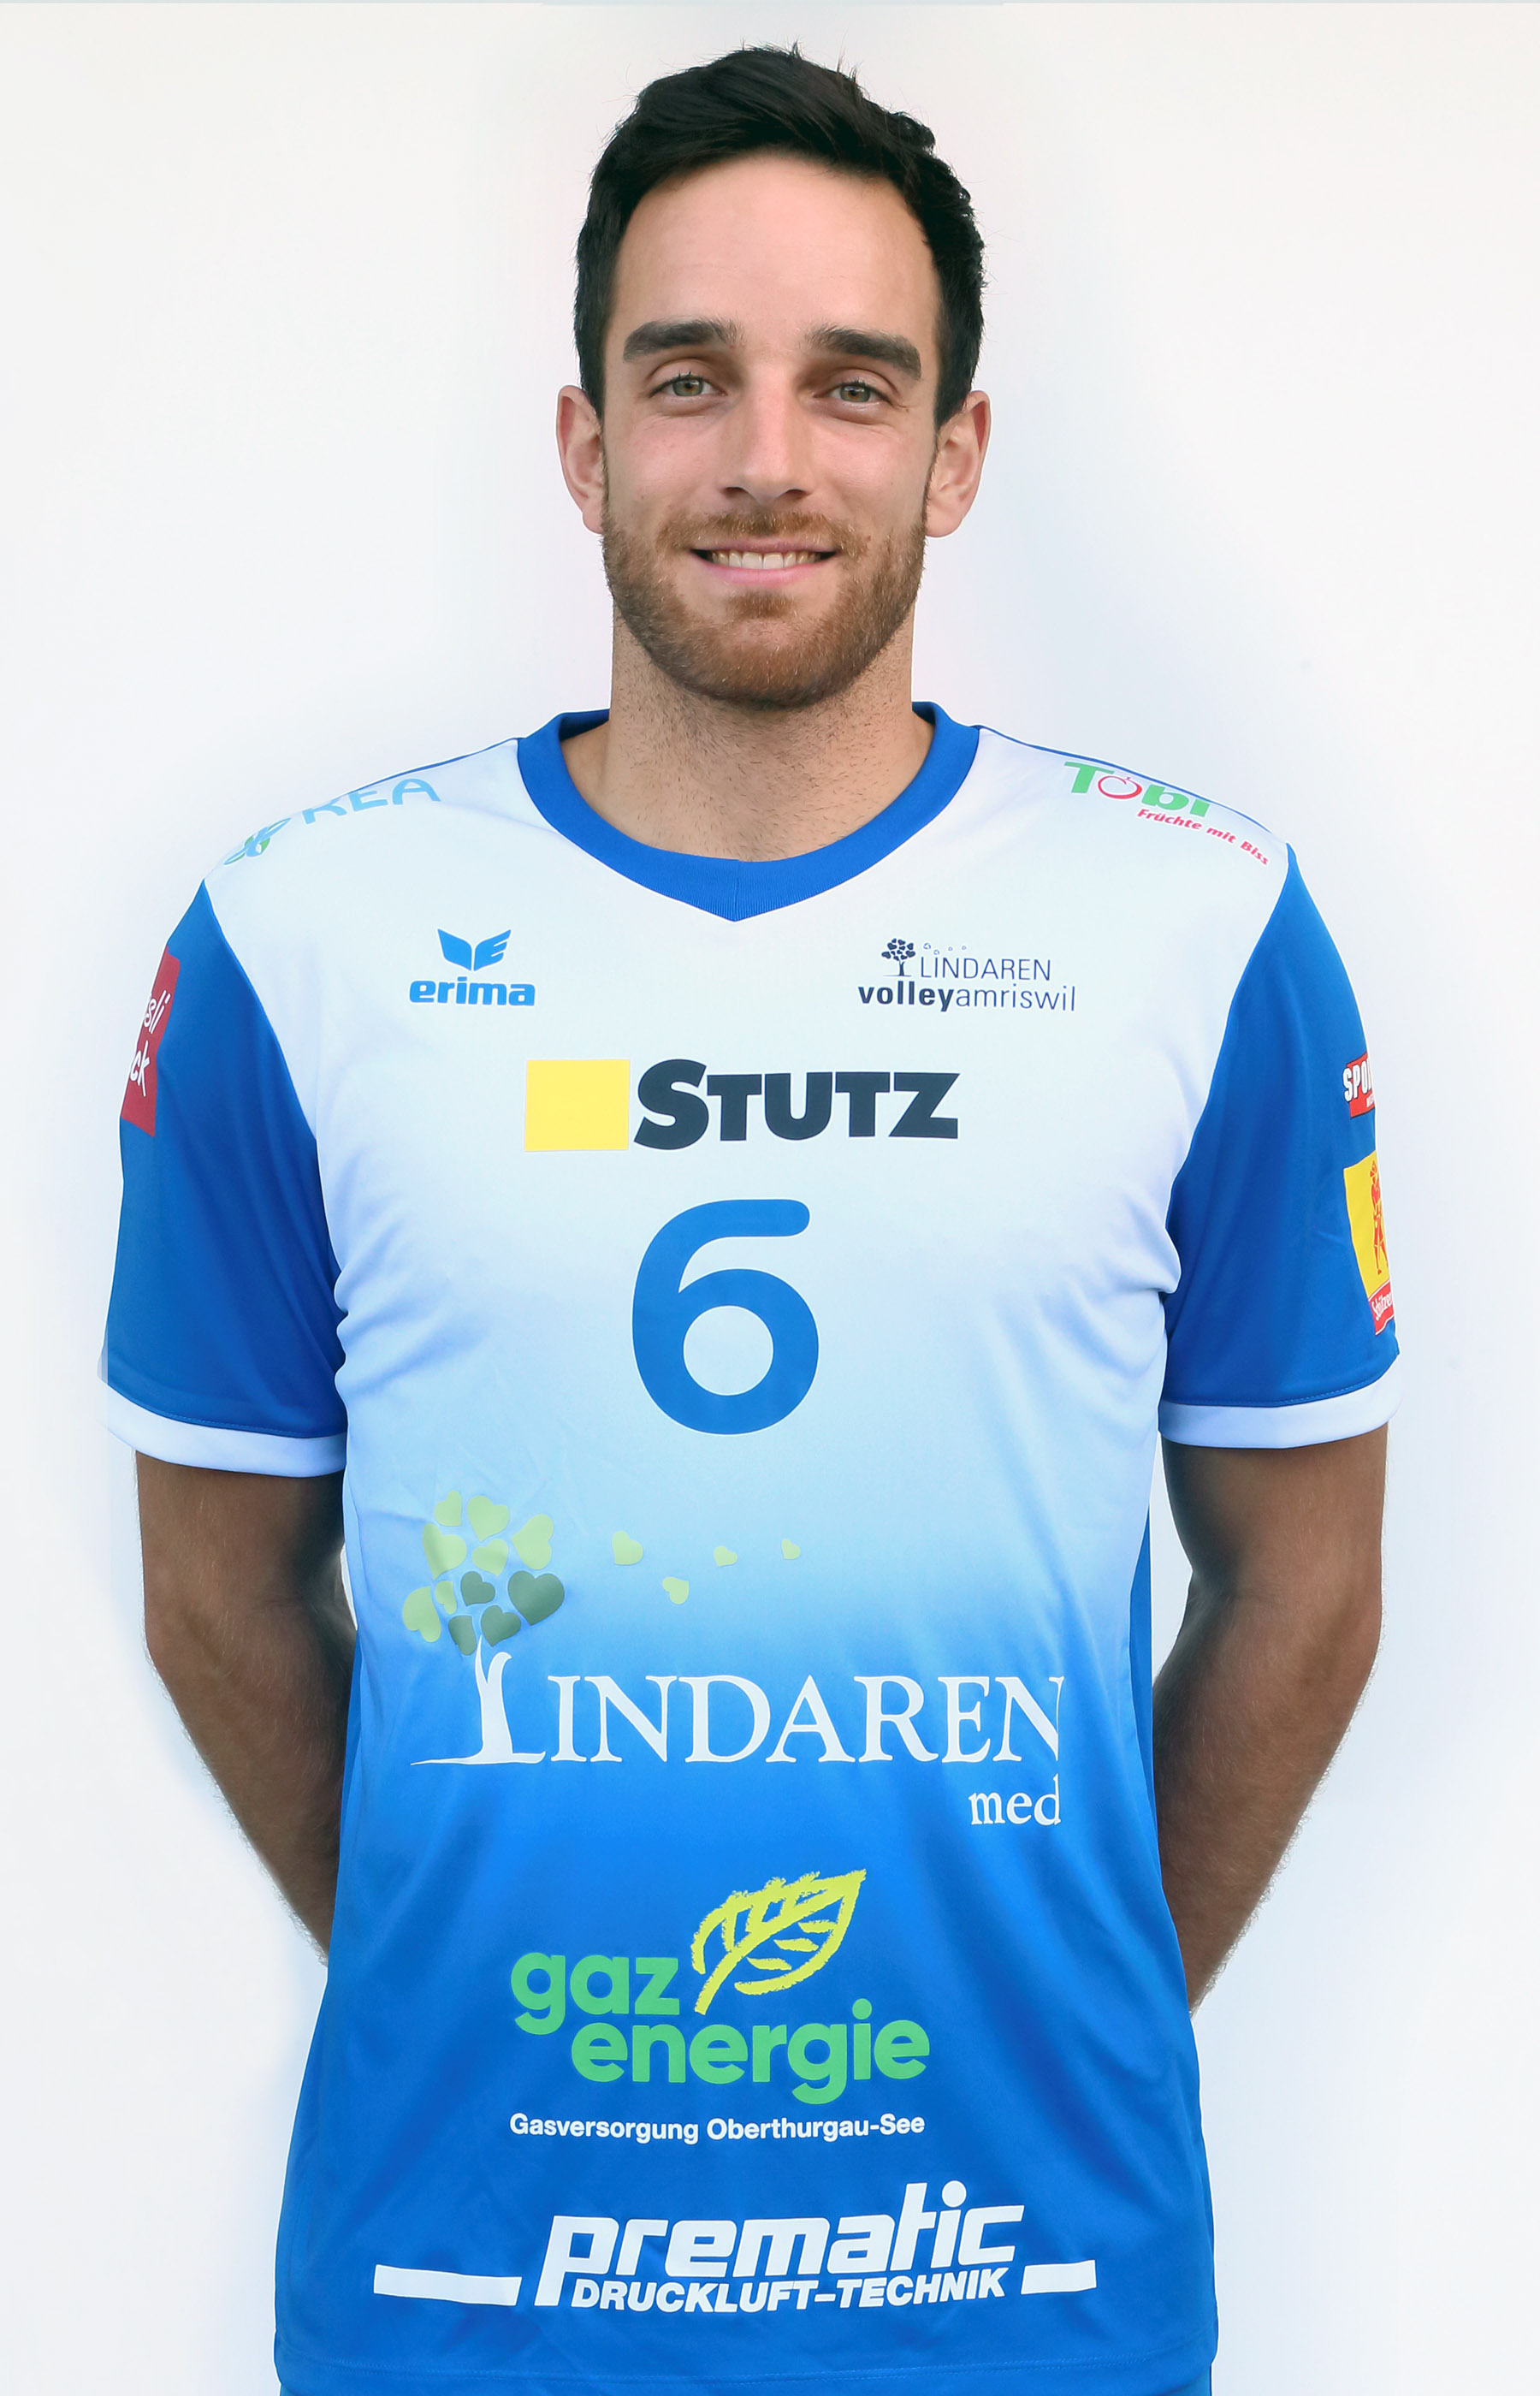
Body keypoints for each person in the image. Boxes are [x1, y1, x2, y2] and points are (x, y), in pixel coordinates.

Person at [103, 45, 1397, 2396]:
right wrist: (445, 1970)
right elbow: (217, 1588)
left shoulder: (1202, 928)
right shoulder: (301, 939)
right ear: (584, 442)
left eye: (853, 386)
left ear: (956, 455)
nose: (766, 459)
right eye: (688, 378)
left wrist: (1076, 2012)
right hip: (470, 2298)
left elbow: (1305, 1584)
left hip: (1020, 2294)